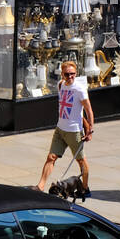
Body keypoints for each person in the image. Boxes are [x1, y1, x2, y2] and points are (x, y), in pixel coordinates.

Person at [36, 60, 94, 194]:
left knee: (81, 161)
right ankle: (40, 186)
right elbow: (75, 111)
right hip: (60, 129)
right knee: (51, 157)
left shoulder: (79, 89)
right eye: (67, 74)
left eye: (73, 74)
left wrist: (89, 129)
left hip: (74, 132)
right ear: (62, 74)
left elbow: (88, 110)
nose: (70, 77)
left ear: (76, 73)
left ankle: (85, 188)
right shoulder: (61, 85)